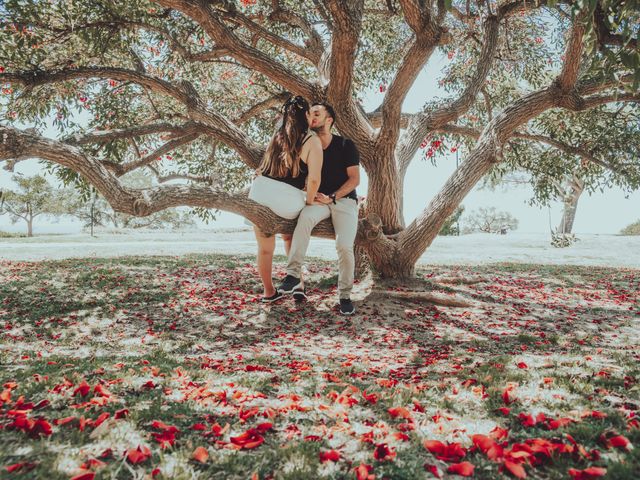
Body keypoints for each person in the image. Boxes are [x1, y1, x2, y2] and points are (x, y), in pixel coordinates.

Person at [278, 102, 360, 315]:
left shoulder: (345, 145)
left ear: (329, 120)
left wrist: (333, 196)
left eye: (317, 114)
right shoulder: (306, 145)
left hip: (343, 201)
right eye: (310, 114)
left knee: (344, 245)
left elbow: (354, 179)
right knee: (305, 217)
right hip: (317, 201)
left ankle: (344, 296)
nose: (311, 118)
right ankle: (293, 275)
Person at [248, 96, 323, 302]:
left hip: (259, 193)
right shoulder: (311, 139)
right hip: (287, 200)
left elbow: (265, 166)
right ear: (306, 115)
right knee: (290, 237)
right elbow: (314, 179)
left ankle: (269, 292)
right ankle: (298, 284)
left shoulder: (278, 134)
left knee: (264, 248)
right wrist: (308, 202)